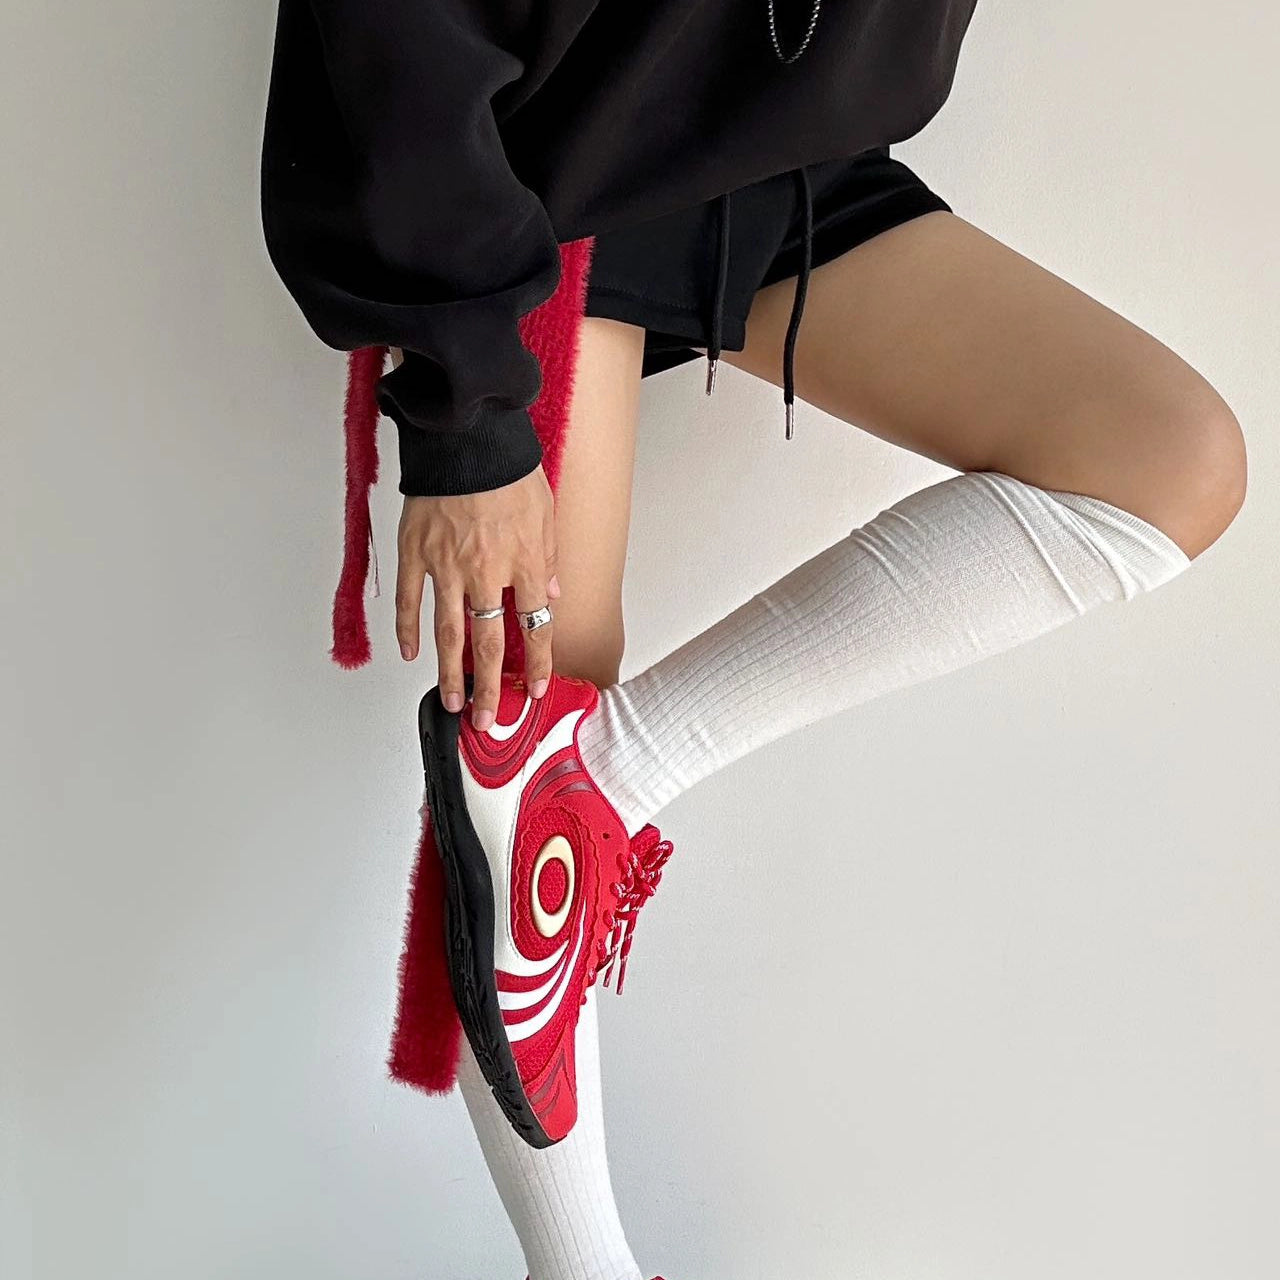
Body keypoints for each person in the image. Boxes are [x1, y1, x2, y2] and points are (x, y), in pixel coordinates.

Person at [260, 3, 1247, 1277]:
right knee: (525, 722)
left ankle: (610, 769)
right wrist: (466, 427)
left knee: (1166, 458)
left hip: (789, 155)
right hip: (551, 176)